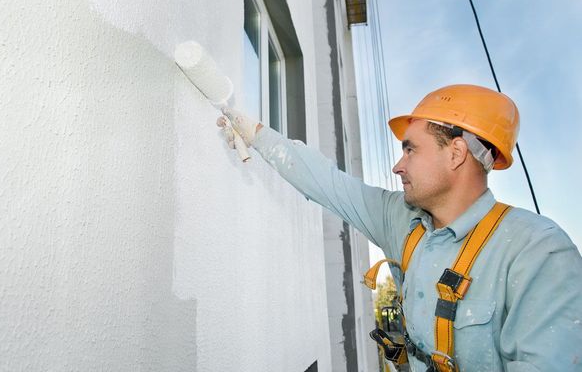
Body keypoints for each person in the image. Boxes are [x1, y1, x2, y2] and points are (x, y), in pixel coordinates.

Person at [216, 84, 582, 371]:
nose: (398, 166)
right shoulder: (403, 220)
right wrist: (257, 134)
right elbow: (327, 182)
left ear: (456, 153)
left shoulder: (537, 252)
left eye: (411, 150)